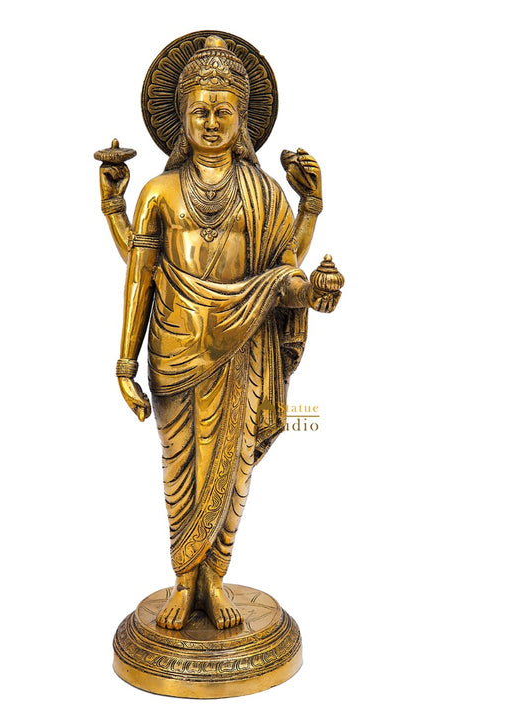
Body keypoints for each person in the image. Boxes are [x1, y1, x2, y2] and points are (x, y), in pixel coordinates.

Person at [99, 36, 334, 630]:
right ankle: (185, 580)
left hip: (245, 348)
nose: (209, 122)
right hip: (175, 347)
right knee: (179, 465)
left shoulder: (264, 192)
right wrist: (124, 365)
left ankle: (216, 578)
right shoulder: (159, 192)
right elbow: (140, 274)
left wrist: (310, 218)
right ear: (181, 116)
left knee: (234, 468)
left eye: (222, 110)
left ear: (242, 118)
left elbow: (284, 269)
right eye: (199, 110)